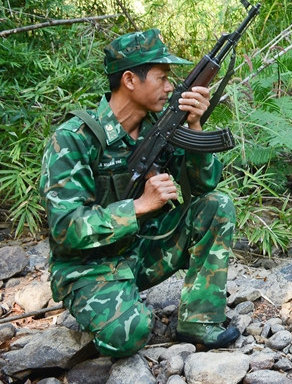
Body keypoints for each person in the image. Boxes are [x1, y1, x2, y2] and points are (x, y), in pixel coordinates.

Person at [39, 29, 239, 358]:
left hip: (141, 253)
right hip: (88, 267)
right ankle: (113, 309)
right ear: (130, 80)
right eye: (161, 78)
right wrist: (139, 206)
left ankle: (199, 319)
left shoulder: (158, 128)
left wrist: (195, 126)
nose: (171, 87)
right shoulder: (74, 140)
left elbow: (204, 186)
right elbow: (65, 230)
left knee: (216, 205)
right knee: (128, 336)